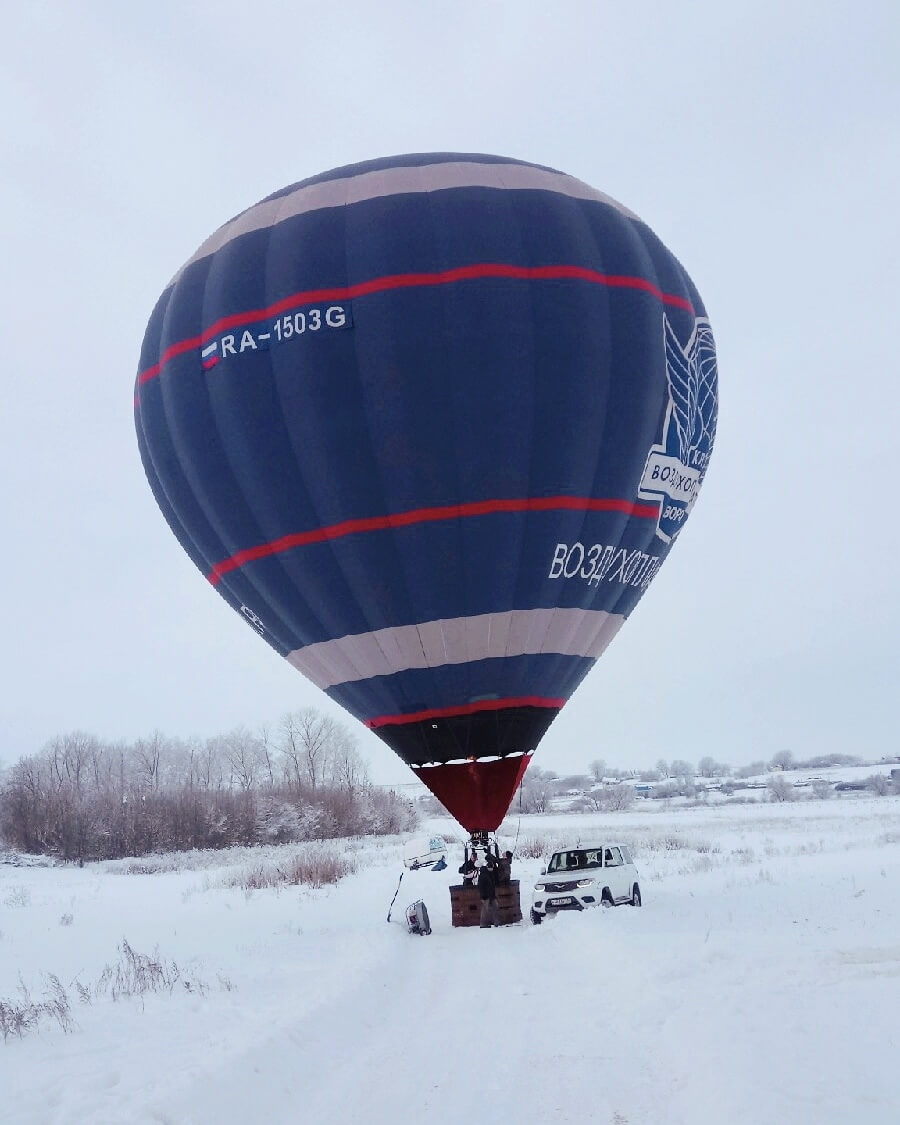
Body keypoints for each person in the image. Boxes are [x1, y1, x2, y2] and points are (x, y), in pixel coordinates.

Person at [478, 853, 500, 928]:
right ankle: (483, 924)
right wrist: (483, 895)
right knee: (485, 910)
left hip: (491, 894)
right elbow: (480, 886)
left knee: (495, 907)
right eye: (490, 868)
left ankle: (496, 922)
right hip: (485, 895)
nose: (492, 869)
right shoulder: (483, 875)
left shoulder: (491, 874)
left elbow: (492, 885)